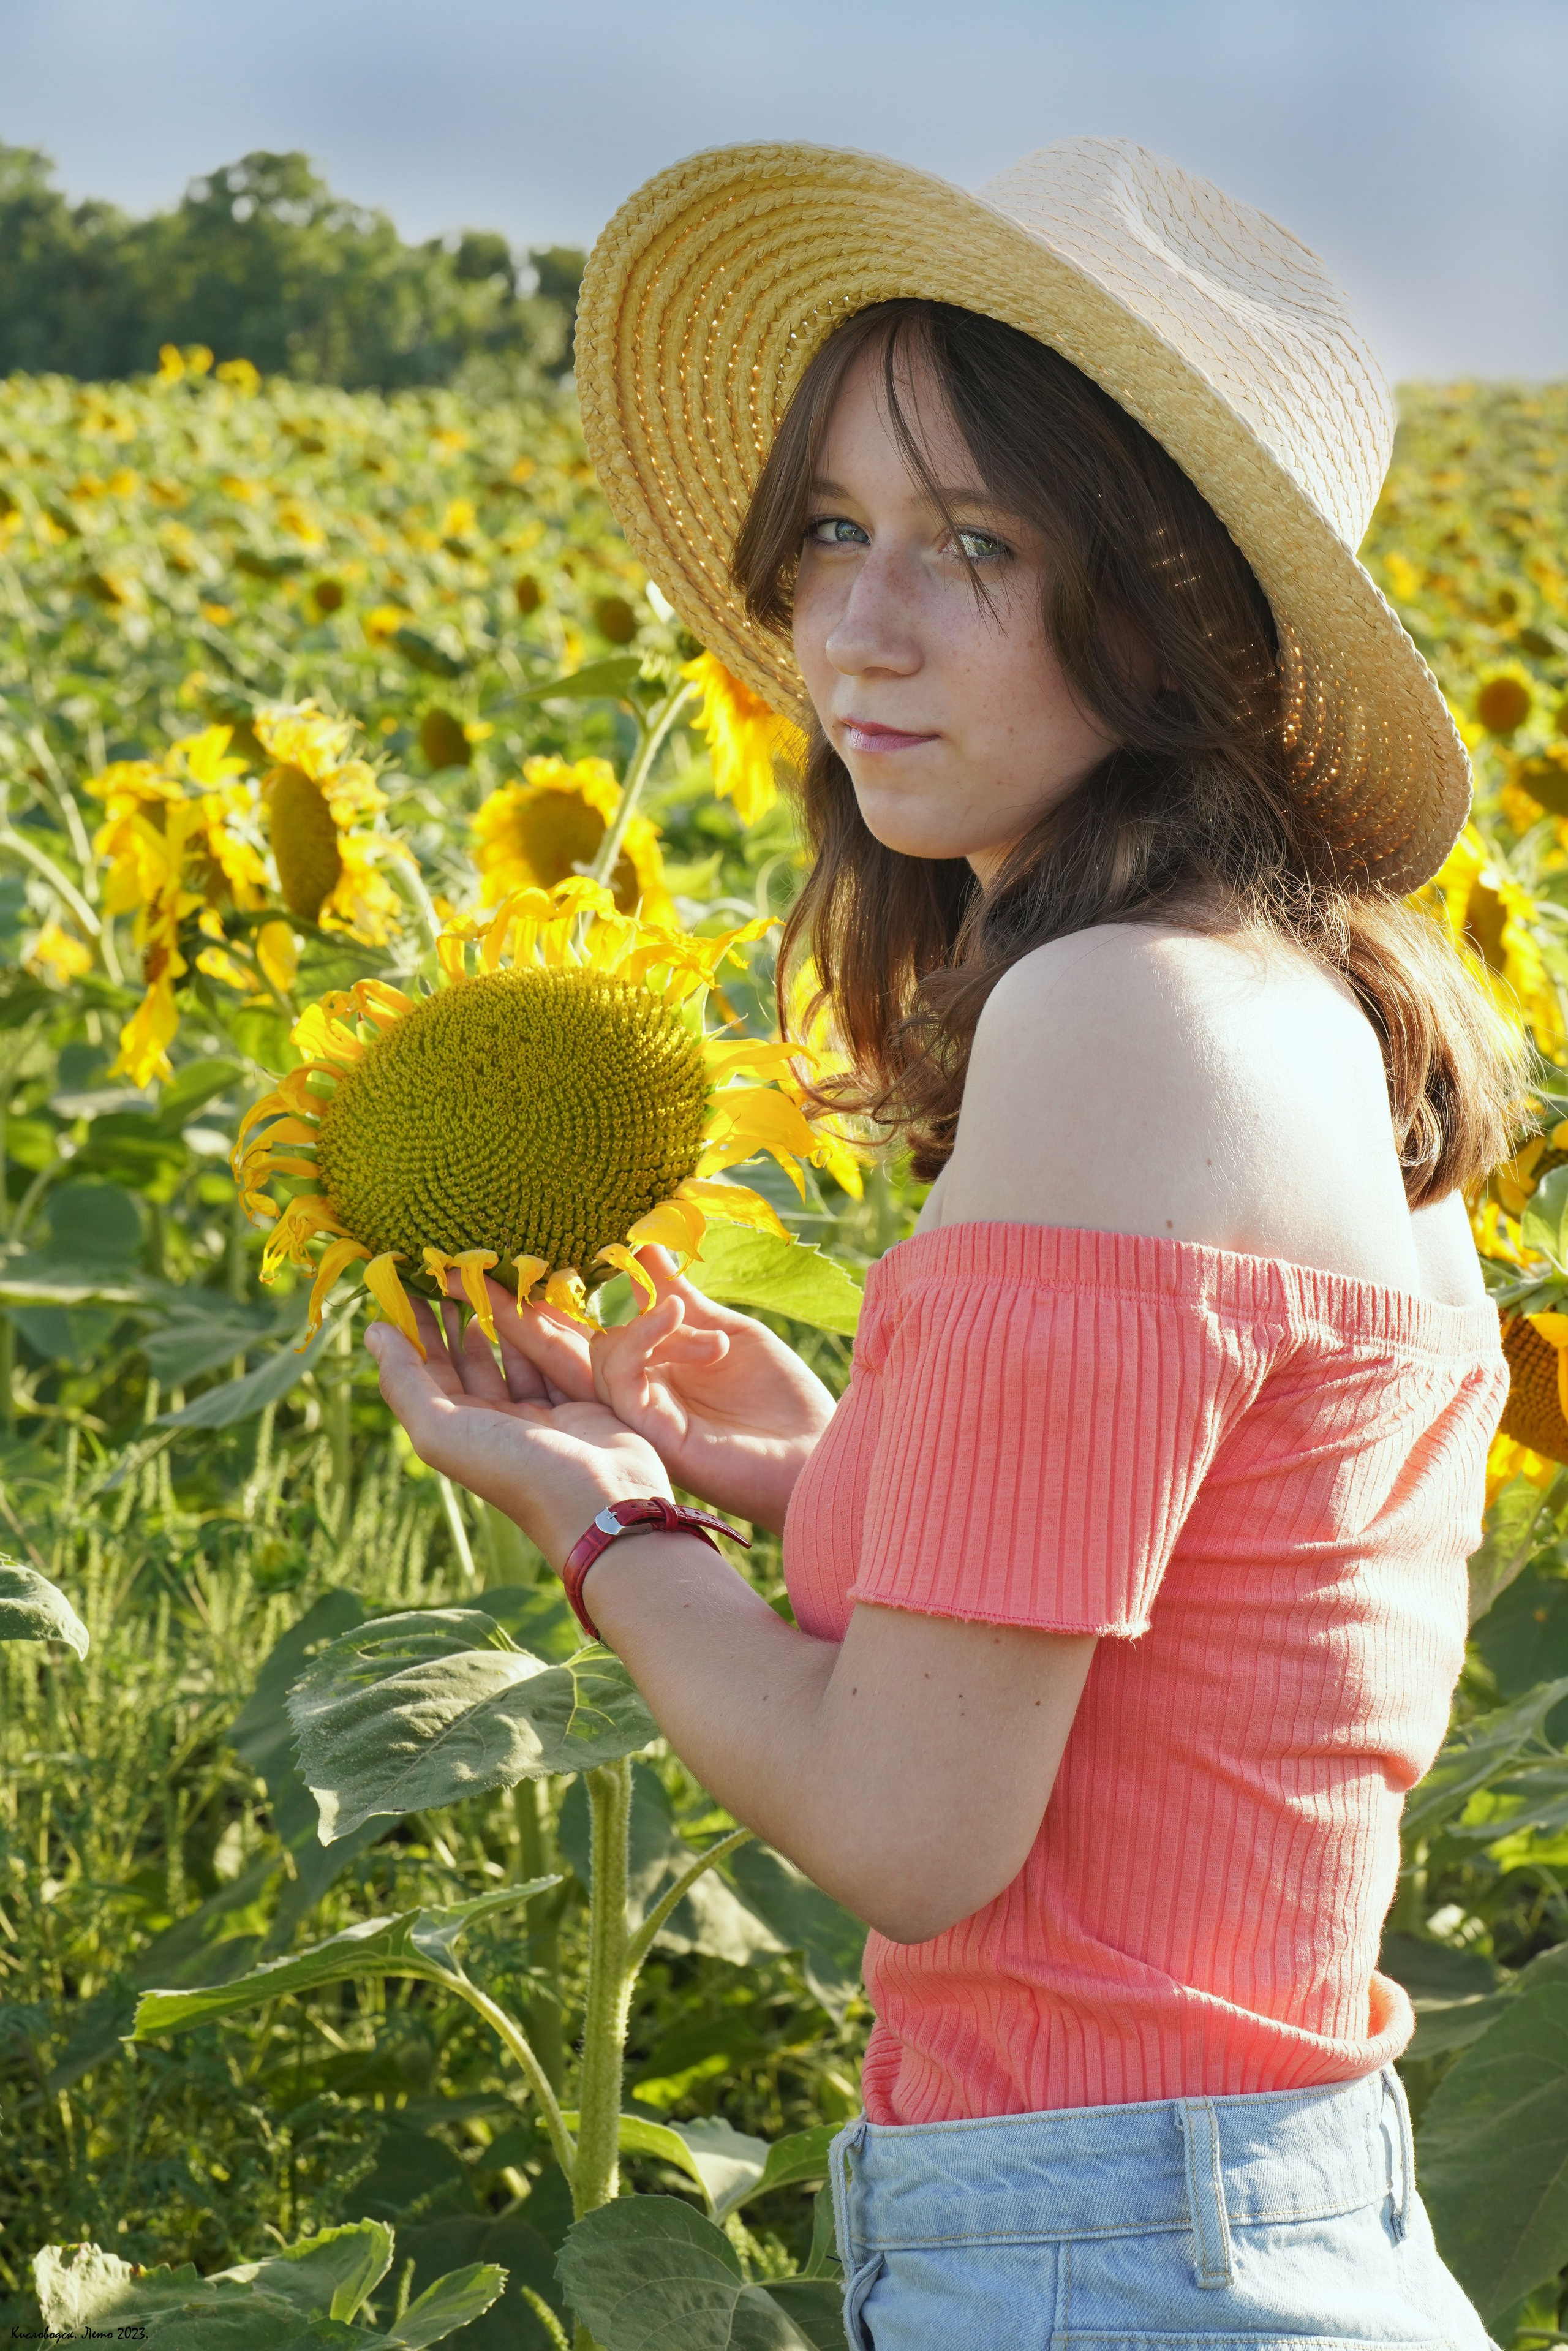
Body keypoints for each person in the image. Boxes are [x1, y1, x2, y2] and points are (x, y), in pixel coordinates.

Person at [366, 138, 1520, 2347]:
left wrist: (612, 1527)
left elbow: (916, 1830)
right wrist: (825, 1466)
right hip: (1238, 2229)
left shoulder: (1116, 1017)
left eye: (976, 546)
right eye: (833, 531)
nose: (852, 634)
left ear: (1170, 611)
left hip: (1115, 2265)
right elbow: (1213, 1627)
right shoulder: (1296, 1009)